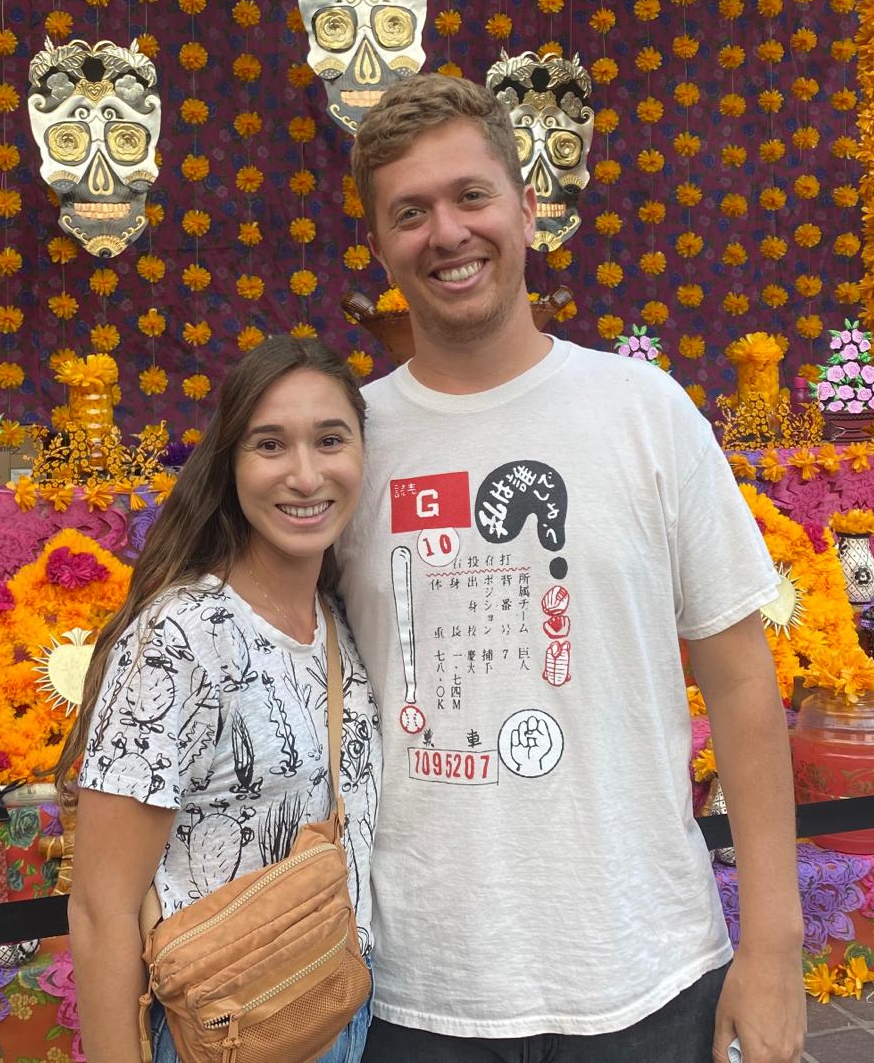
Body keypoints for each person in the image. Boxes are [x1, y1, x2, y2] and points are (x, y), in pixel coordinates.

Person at [339, 75, 804, 1063]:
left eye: (471, 196)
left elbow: (740, 684)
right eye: (410, 213)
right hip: (419, 990)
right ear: (379, 246)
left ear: (526, 209)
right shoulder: (348, 445)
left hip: (644, 970)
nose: (447, 233)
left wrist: (774, 946)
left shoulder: (644, 411)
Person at [62, 337, 382, 1063]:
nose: (306, 475)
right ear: (230, 465)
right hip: (223, 1031)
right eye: (270, 445)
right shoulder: (183, 637)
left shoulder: (335, 618)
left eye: (330, 440)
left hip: (335, 1007)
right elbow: (101, 907)